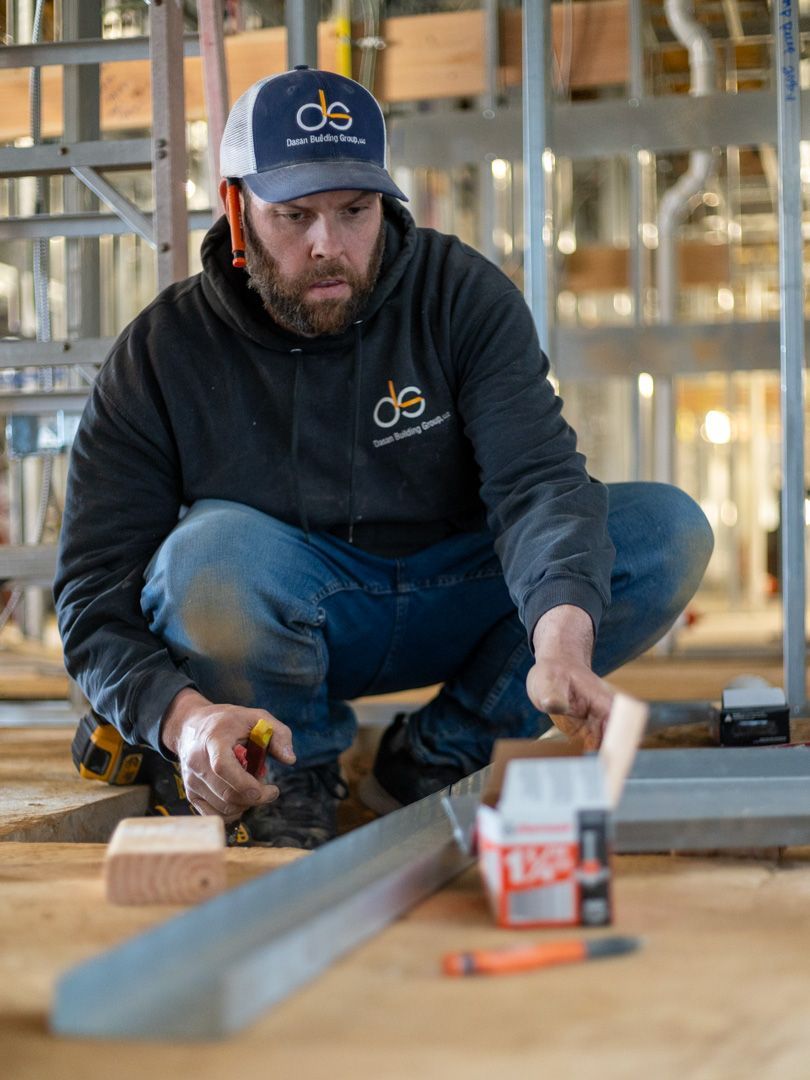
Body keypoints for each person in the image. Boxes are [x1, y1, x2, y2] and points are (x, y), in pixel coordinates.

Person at [54, 67, 713, 848]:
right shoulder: (164, 354)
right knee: (209, 563)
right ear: (236, 210)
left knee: (664, 532)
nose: (328, 245)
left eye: (355, 211)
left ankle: (434, 757)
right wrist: (183, 722)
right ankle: (290, 780)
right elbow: (94, 594)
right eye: (294, 215)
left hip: (459, 593)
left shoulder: (459, 295)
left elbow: (537, 484)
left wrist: (560, 645)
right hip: (282, 618)